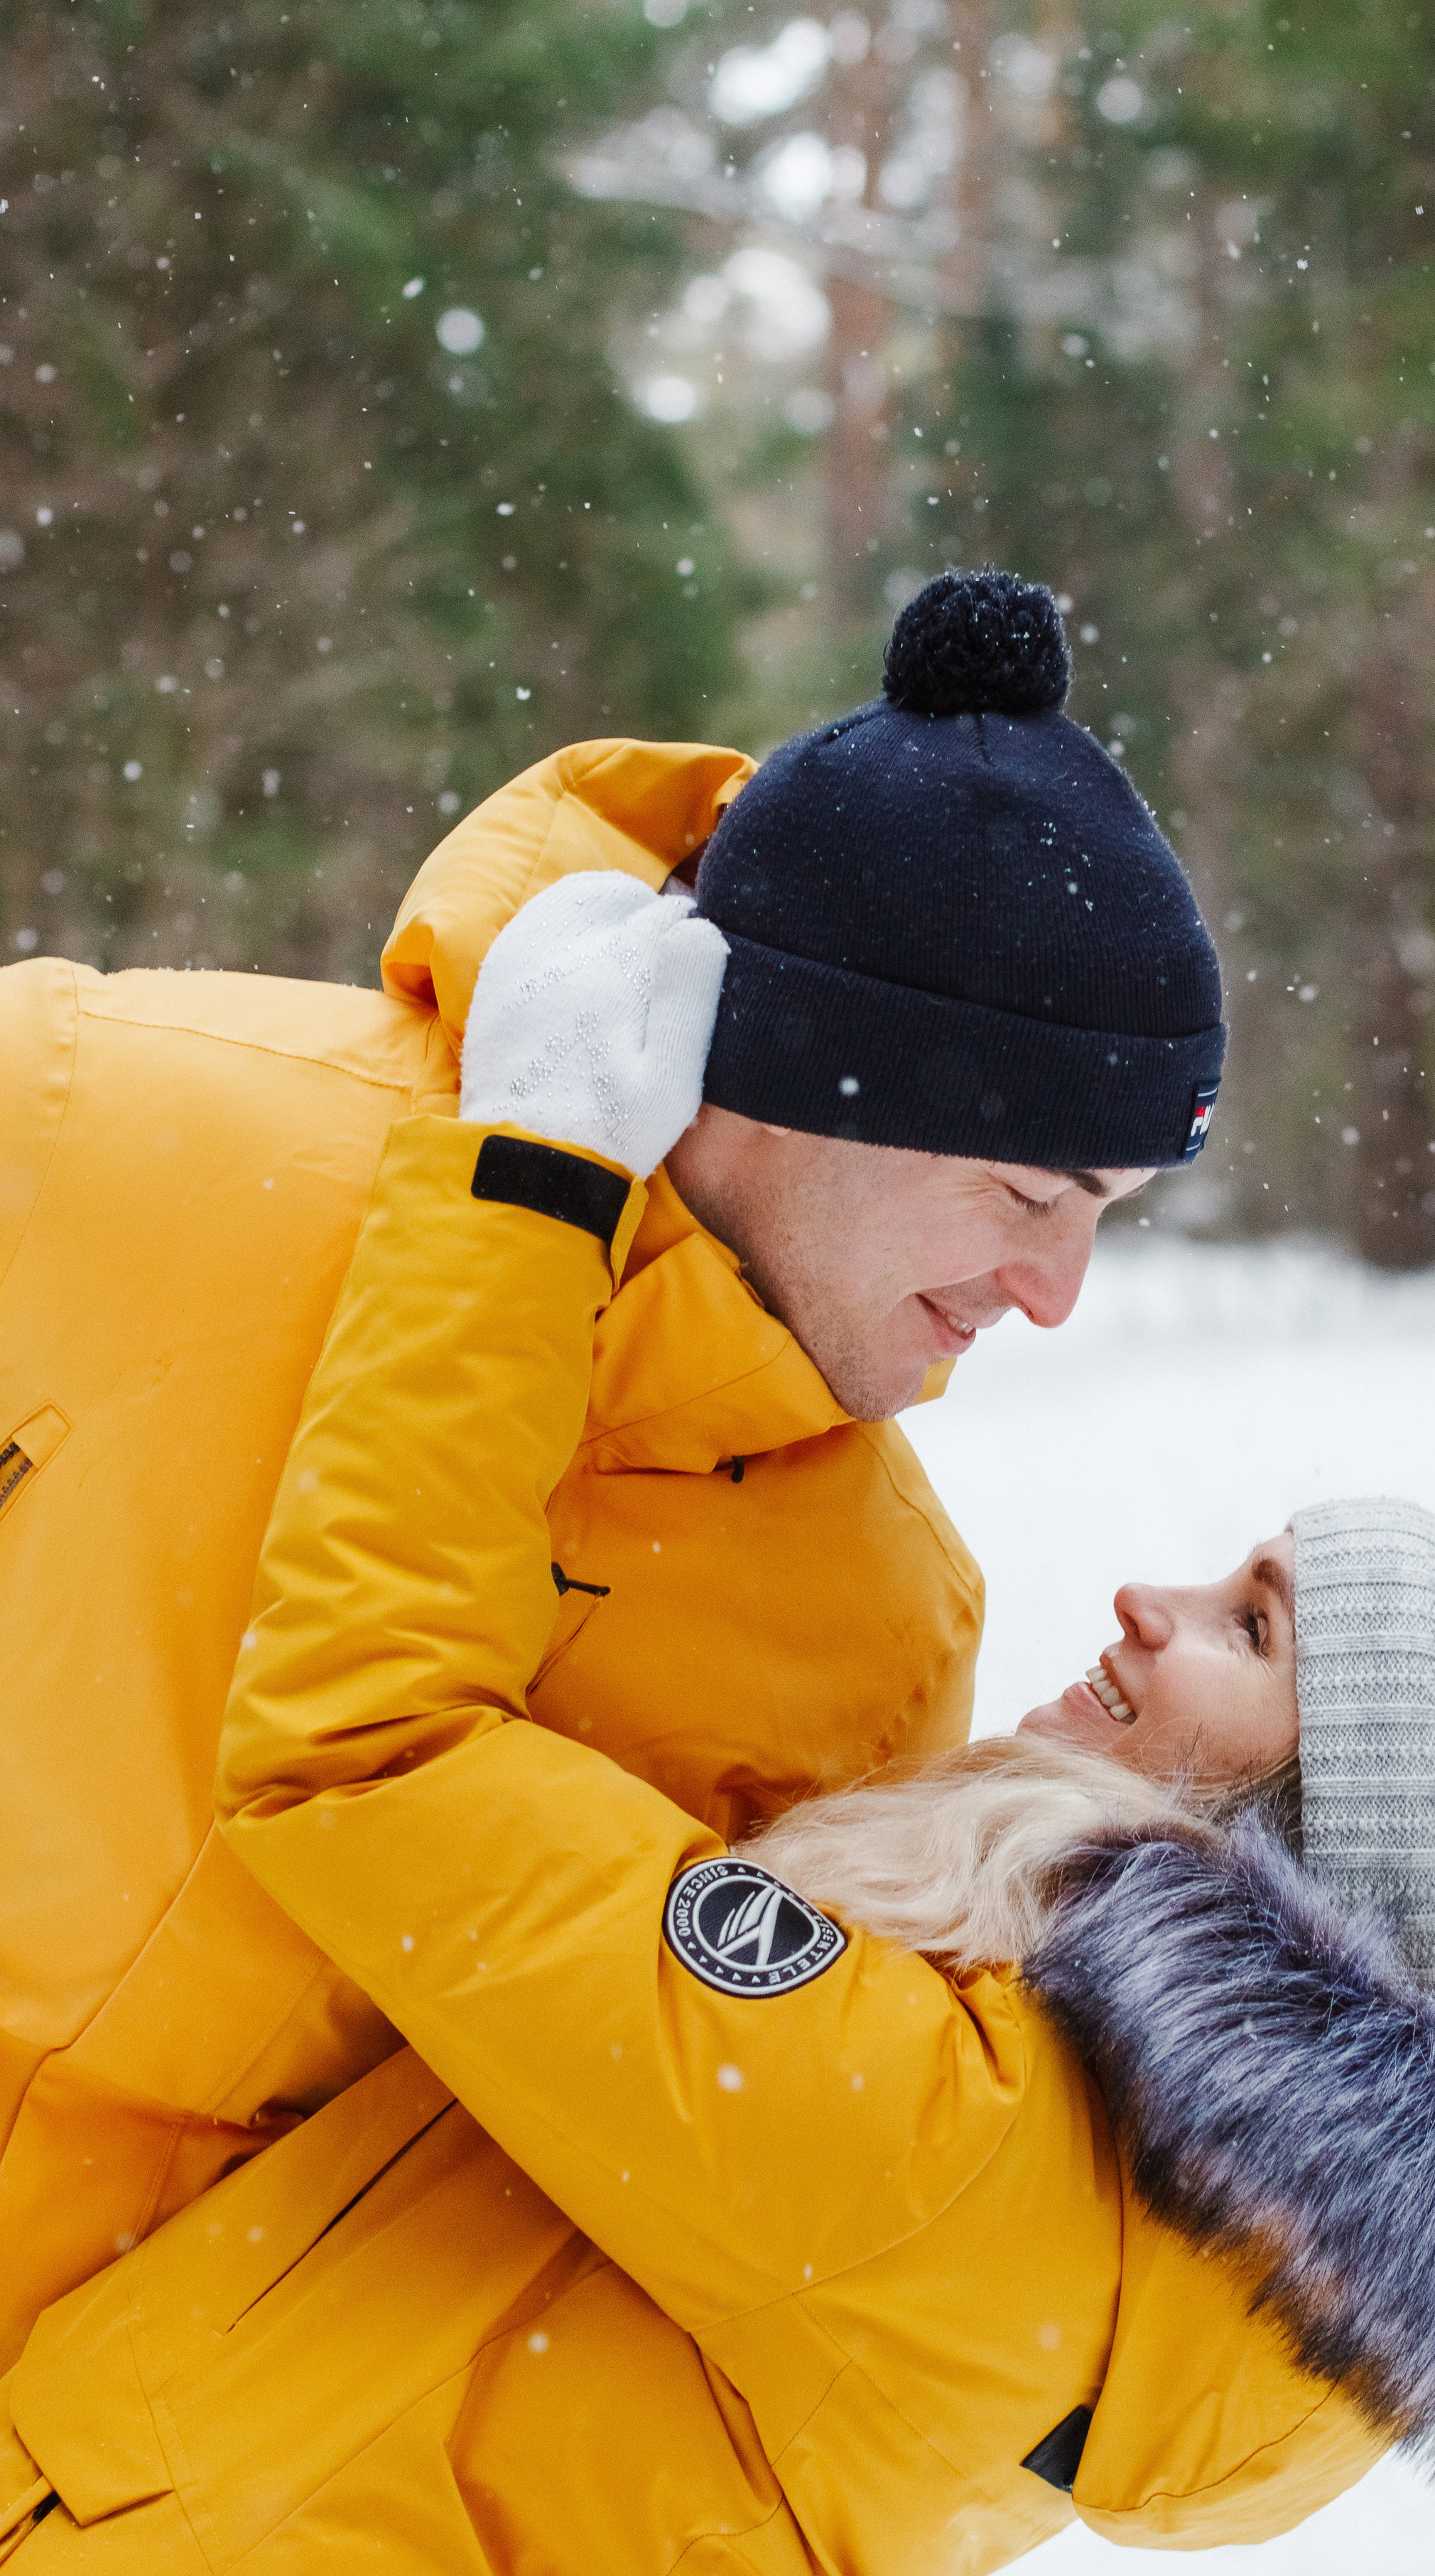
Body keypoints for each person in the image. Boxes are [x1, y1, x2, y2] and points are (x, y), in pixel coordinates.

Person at [4, 1082, 1435, 2576]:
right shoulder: (1142, 2184)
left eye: (1250, 1633)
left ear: (1365, 1847)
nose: (1144, 1604)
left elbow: (370, 1756)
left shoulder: (970, 2143)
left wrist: (534, 1176)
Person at [0, 571, 1226, 2365]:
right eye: (1028, 1192)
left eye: (1108, 1216)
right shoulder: (97, 1115)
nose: (1055, 1295)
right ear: (809, 1080)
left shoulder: (871, 1631)